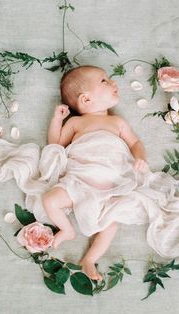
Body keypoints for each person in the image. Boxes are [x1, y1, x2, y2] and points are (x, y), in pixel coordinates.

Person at [42, 65, 149, 280]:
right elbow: (55, 145)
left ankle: (89, 259)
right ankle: (66, 230)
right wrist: (56, 119)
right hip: (78, 182)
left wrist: (140, 158)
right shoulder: (76, 122)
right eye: (104, 81)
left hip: (108, 187)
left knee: (110, 224)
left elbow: (135, 142)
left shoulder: (117, 122)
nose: (113, 83)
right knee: (49, 200)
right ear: (86, 100)